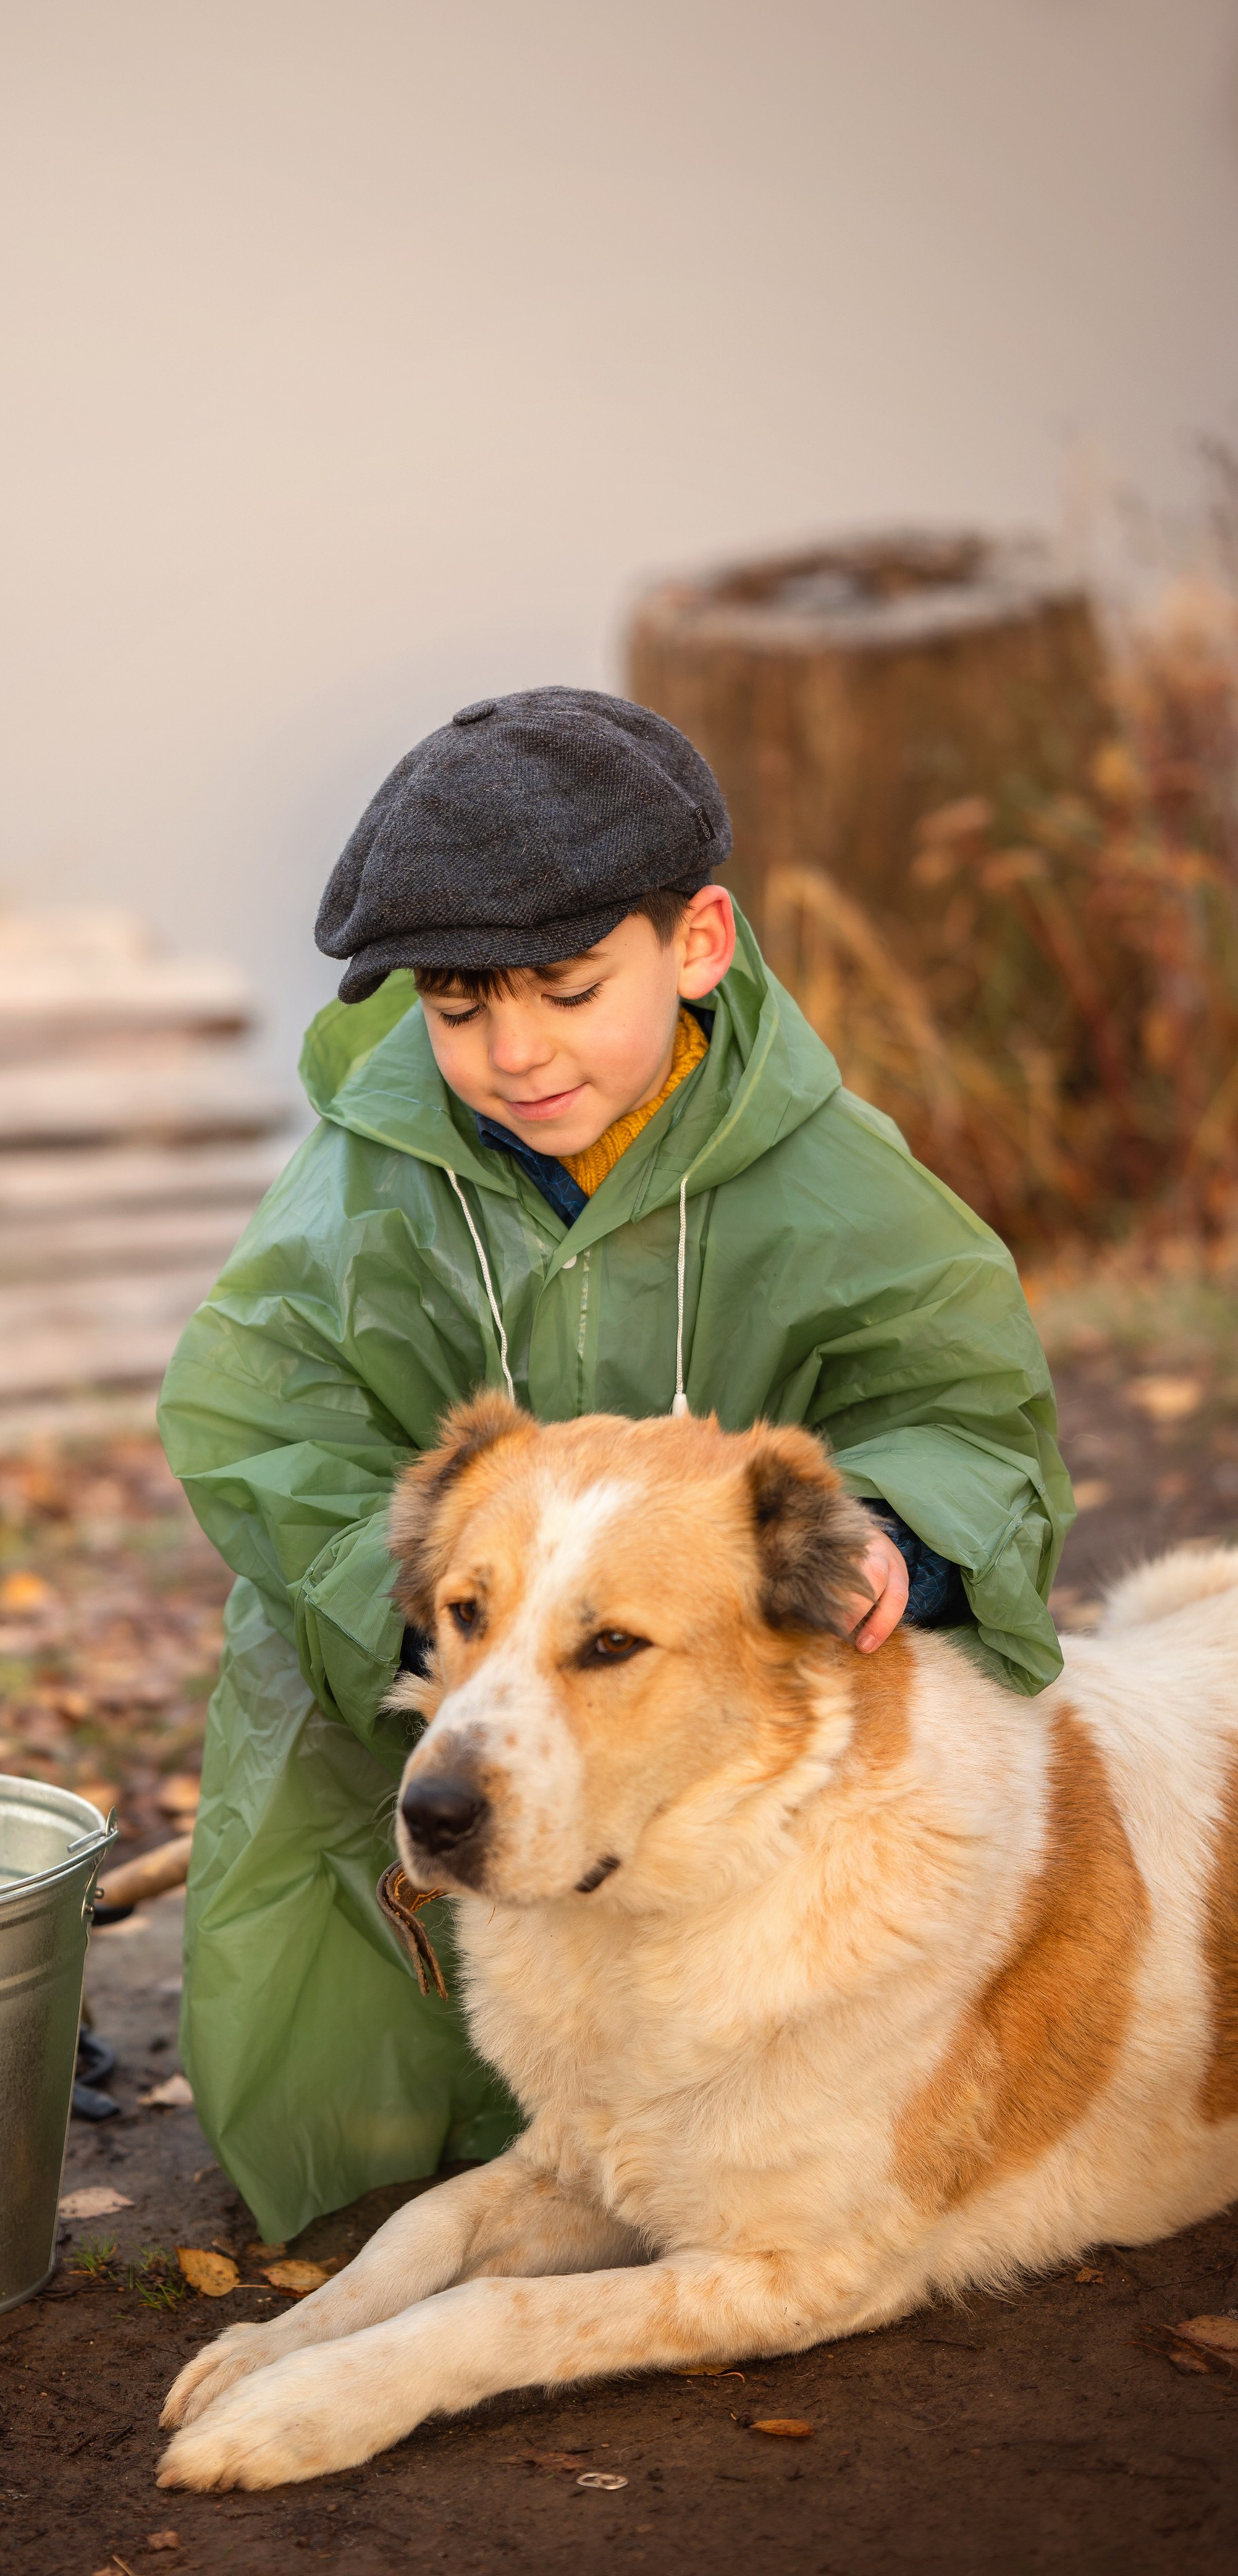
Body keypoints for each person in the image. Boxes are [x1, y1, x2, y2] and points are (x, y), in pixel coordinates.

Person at [156, 686, 1073, 2243]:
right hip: (410, 1672)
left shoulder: (834, 1174)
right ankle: (404, 2174)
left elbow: (966, 1409)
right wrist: (423, 1609)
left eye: (570, 992)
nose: (514, 1053)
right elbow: (253, 1410)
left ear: (696, 944)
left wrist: (896, 1537)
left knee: (739, 2034)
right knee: (366, 2087)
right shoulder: (364, 1172)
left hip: (696, 1685)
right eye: (457, 1011)